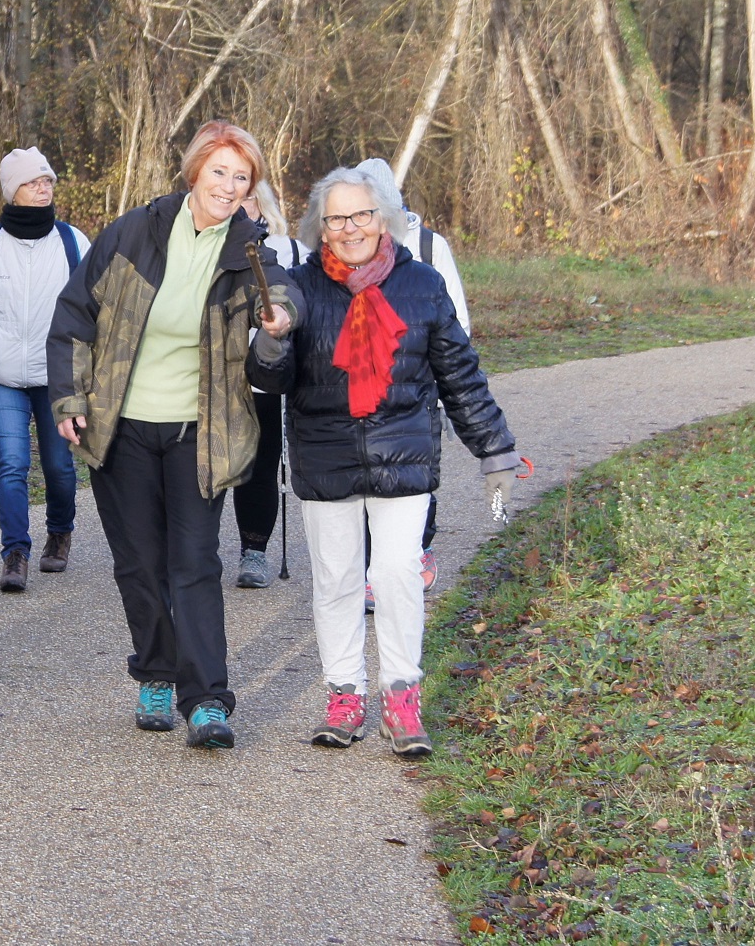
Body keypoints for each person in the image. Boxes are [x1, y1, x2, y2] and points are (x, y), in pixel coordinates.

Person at [249, 165, 519, 755]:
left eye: (361, 216)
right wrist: (271, 340)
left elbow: (460, 374)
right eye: (337, 218)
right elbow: (271, 381)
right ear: (321, 226)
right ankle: (344, 694)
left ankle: (402, 698)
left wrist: (494, 448)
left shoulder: (421, 284)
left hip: (404, 451)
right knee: (338, 580)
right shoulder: (299, 286)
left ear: (383, 218)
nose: (349, 229)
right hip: (326, 456)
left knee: (397, 575)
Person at [48, 120, 299, 750]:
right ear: (194, 172)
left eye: (242, 177)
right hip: (122, 428)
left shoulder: (249, 248)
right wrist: (68, 396)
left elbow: (283, 295)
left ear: (251, 189)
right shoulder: (136, 231)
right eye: (219, 171)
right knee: (139, 563)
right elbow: (75, 314)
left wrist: (281, 321)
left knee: (193, 563)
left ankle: (208, 698)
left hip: (199, 431)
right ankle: (155, 675)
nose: (229, 185)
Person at [0, 147, 92, 594]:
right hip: (2, 374)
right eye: (34, 182)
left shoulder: (73, 242)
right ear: (12, 190)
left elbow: (93, 305)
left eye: (48, 181)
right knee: (12, 463)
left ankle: (60, 532)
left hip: (56, 375)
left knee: (59, 467)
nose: (44, 188)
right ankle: (14, 553)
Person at [354, 157, 469, 601]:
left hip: (420, 388)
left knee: (416, 472)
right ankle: (372, 572)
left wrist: (445, 377)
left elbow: (456, 318)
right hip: (363, 387)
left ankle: (420, 547)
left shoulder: (428, 246)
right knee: (365, 477)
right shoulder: (347, 245)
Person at [230, 179, 304, 589]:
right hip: (217, 377)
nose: (238, 202)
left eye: (246, 195)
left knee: (261, 463)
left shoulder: (289, 249)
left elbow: (302, 304)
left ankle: (253, 551)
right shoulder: (209, 245)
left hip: (266, 377)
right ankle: (197, 548)